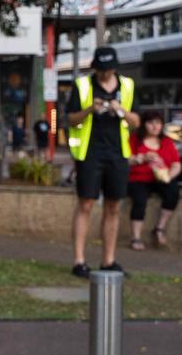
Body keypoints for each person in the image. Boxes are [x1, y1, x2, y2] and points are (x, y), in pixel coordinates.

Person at [66, 45, 138, 278]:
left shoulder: (127, 86)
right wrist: (90, 109)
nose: (104, 74)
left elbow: (136, 121)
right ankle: (79, 261)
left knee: (114, 206)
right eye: (100, 69)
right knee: (85, 204)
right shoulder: (83, 85)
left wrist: (120, 111)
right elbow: (70, 120)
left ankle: (108, 261)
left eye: (107, 69)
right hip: (90, 153)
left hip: (117, 154)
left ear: (114, 68)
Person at [126, 112, 179, 251]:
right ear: (144, 124)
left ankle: (159, 228)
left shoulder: (166, 141)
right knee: (139, 200)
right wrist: (141, 158)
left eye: (158, 123)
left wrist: (168, 175)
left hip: (161, 178)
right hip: (139, 179)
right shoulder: (134, 140)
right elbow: (125, 160)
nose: (155, 126)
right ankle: (136, 237)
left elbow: (177, 164)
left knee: (173, 192)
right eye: (151, 123)